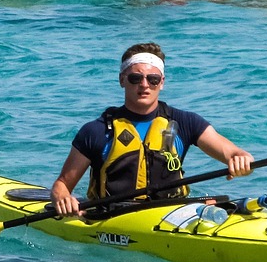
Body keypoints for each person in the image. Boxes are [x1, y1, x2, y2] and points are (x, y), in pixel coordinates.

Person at [50, 42, 253, 218]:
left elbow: (234, 153)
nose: (144, 85)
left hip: (173, 212)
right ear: (122, 80)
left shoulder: (186, 122)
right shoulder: (96, 131)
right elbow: (62, 185)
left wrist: (241, 159)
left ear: (161, 83)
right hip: (113, 216)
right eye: (135, 78)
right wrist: (64, 199)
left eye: (153, 79)